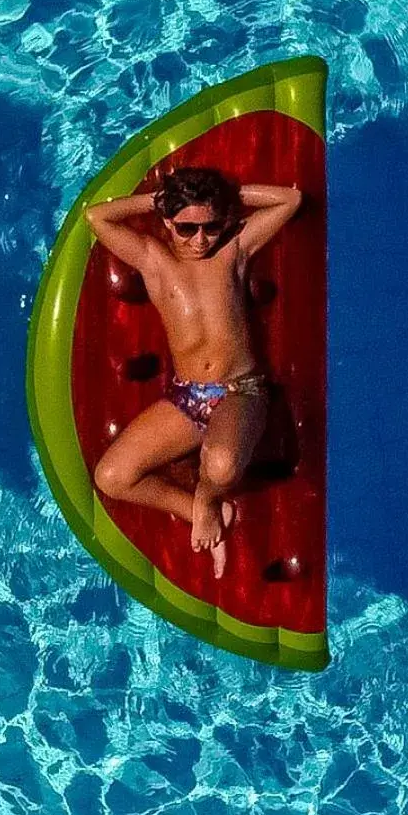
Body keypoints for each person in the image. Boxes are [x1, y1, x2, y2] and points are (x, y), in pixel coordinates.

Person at [86, 166, 302, 578]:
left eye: (211, 227)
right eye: (186, 228)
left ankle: (207, 498)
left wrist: (228, 198)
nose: (200, 239)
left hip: (240, 391)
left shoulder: (233, 250)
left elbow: (288, 201)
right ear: (168, 221)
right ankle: (198, 511)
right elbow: (97, 217)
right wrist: (158, 199)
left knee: (219, 467)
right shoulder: (153, 259)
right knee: (112, 477)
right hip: (187, 397)